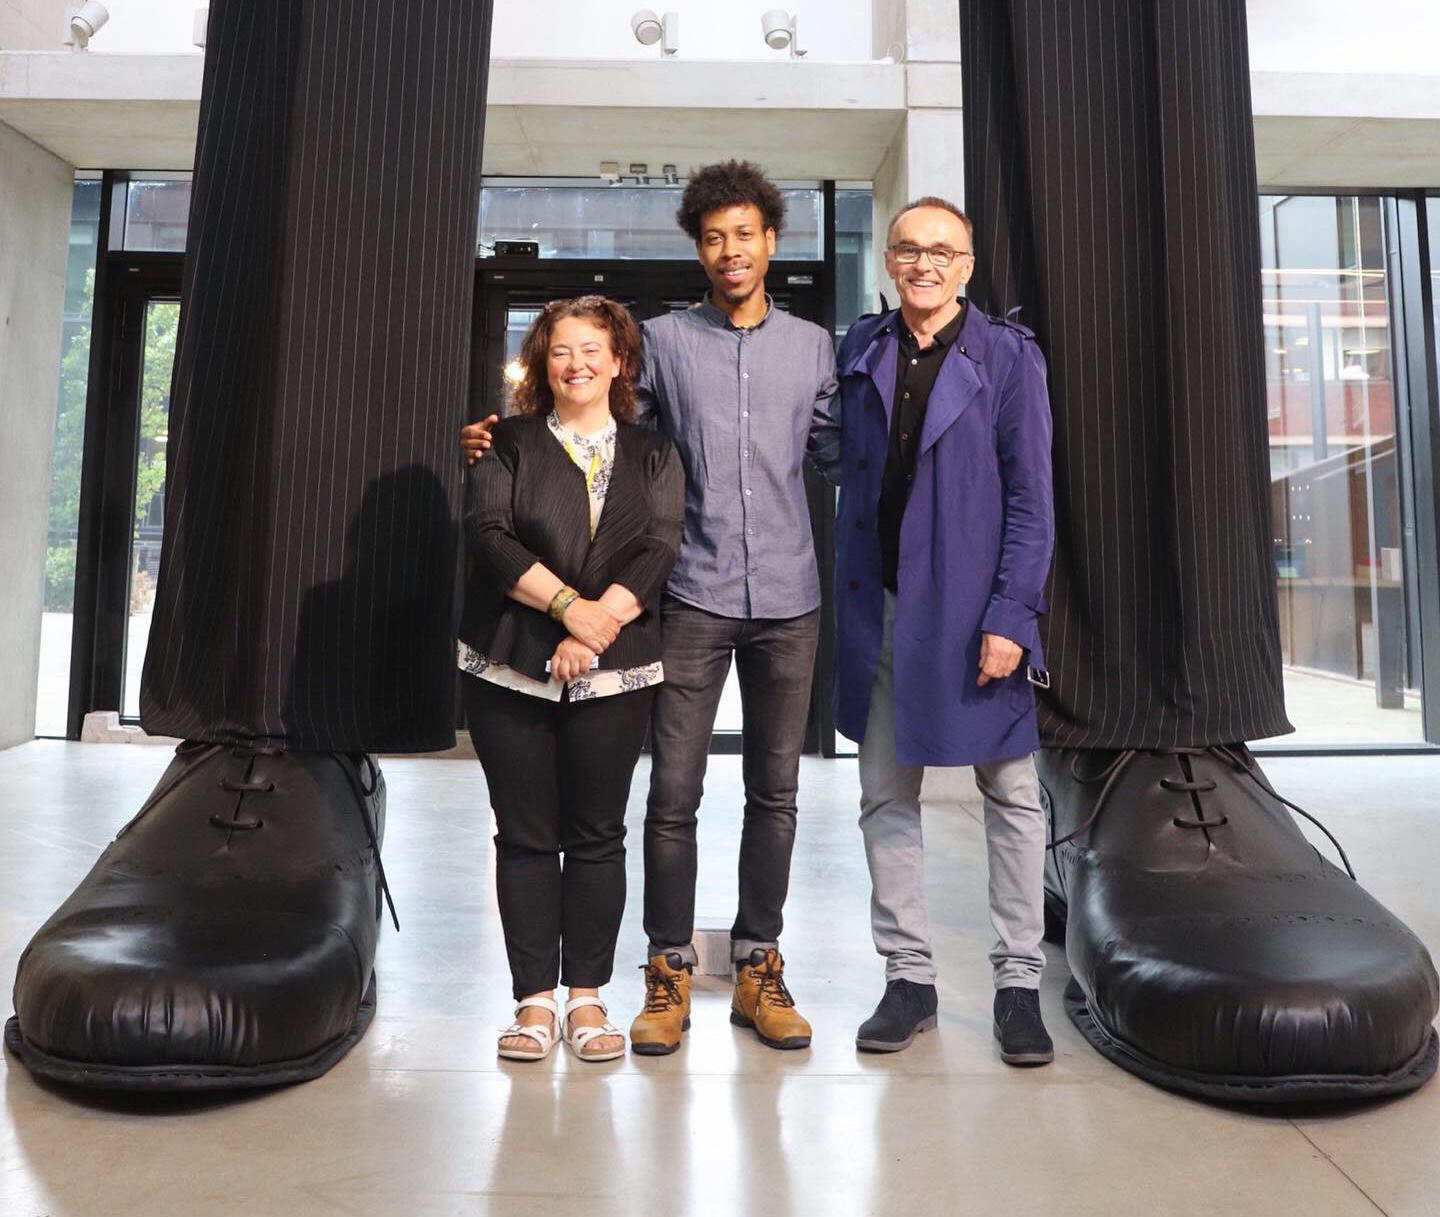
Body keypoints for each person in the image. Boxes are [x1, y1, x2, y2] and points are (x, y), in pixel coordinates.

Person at [465, 161, 840, 1054]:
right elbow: (612, 438)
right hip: (693, 593)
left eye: (744, 234)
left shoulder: (814, 347)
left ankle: (759, 965)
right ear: (699, 250)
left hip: (790, 594)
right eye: (713, 238)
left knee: (776, 791)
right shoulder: (666, 342)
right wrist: (501, 433)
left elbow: (838, 451)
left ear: (770, 241)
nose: (730, 251)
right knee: (671, 792)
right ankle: (666, 970)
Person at [833, 197, 1056, 1063]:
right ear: (890, 262)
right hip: (881, 607)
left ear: (967, 266)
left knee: (1013, 797)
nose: (923, 263)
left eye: (942, 250)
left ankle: (1018, 985)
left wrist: (1013, 614)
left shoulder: (1007, 358)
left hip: (976, 614)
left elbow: (1033, 502)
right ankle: (909, 978)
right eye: (908, 249)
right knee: (886, 795)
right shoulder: (863, 346)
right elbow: (828, 449)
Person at [461, 297, 683, 1062]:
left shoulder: (654, 450)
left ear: (620, 362)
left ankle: (586, 998)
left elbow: (659, 544)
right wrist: (567, 610)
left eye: (593, 349)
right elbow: (488, 532)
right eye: (560, 349)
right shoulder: (506, 441)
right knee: (523, 836)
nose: (576, 363)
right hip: (509, 662)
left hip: (614, 667)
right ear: (540, 362)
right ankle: (532, 1003)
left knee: (597, 836)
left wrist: (594, 629)